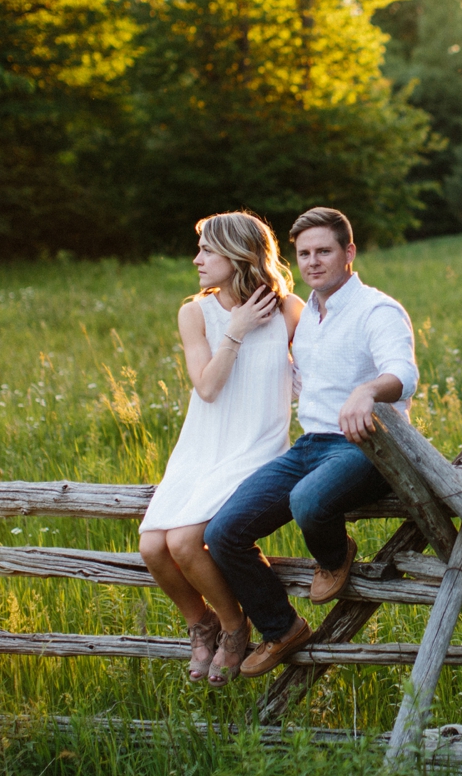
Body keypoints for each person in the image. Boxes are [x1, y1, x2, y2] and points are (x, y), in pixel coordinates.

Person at [205, 206, 418, 680]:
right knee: (222, 534)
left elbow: (403, 373)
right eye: (304, 253)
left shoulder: (377, 310)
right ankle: (281, 628)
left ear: (349, 253)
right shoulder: (305, 315)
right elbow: (301, 382)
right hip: (309, 445)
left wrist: (366, 391)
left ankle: (335, 555)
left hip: (368, 444)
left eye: (324, 251)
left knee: (308, 500)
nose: (313, 261)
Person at [137, 211, 304, 688]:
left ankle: (234, 627)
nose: (197, 259)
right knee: (152, 546)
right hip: (202, 446)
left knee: (185, 541)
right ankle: (201, 623)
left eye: (207, 249)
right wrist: (236, 328)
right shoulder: (195, 312)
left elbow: (312, 375)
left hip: (256, 445)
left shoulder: (289, 309)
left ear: (238, 254)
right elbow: (207, 389)